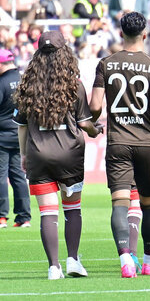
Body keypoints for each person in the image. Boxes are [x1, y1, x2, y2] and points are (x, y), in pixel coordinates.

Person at [13, 31, 103, 279]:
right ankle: (73, 260)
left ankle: (54, 267)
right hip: (69, 155)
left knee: (47, 212)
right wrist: (96, 131)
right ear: (65, 53)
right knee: (72, 209)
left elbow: (21, 126)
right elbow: (85, 124)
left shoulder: (28, 85)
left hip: (38, 155)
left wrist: (23, 155)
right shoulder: (74, 85)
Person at [89, 12, 150, 278]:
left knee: (120, 205)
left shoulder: (106, 63)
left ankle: (126, 259)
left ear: (121, 33)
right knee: (149, 205)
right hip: (147, 142)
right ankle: (149, 261)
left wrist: (93, 122)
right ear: (145, 34)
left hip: (117, 143)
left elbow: (94, 107)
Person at [0, 49, 30, 228]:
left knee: (1, 176)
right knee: (19, 175)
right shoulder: (23, 80)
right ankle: (24, 217)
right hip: (20, 134)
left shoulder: (1, 82)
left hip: (2, 136)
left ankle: (1, 216)